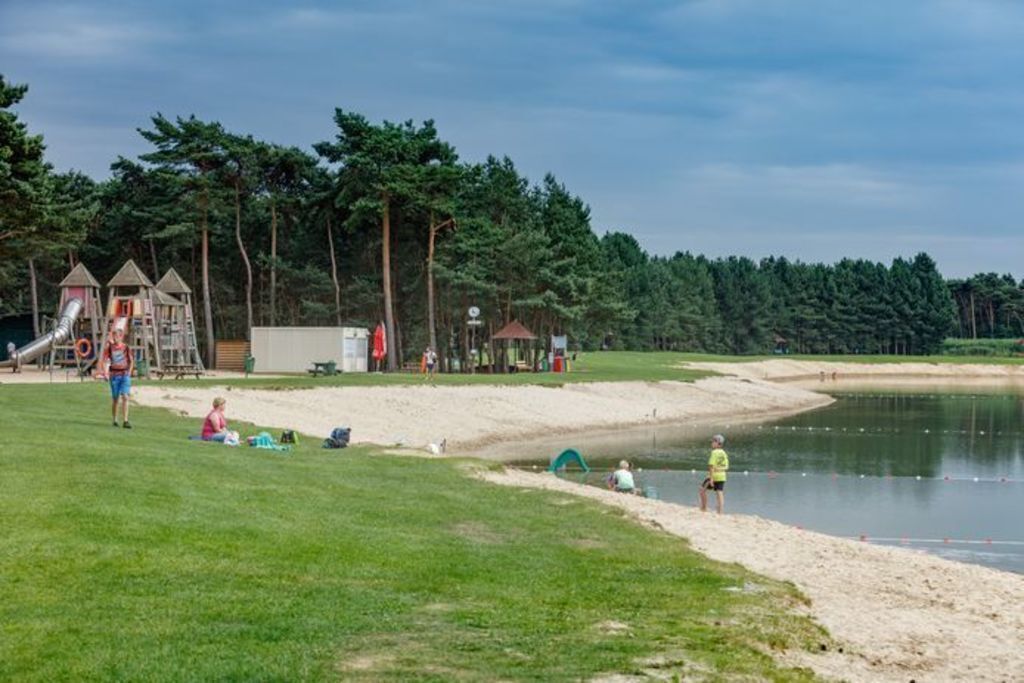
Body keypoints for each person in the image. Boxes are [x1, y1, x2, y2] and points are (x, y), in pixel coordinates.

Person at [103, 329, 134, 428]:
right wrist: (105, 373)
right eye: (114, 336)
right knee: (115, 399)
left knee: (125, 396)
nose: (115, 338)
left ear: (121, 337)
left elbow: (131, 361)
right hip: (114, 376)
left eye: (116, 336)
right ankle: (115, 420)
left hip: (125, 375)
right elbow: (105, 361)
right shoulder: (109, 348)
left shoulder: (126, 348)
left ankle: (125, 421)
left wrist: (129, 372)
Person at [699, 434, 729, 513]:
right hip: (722, 476)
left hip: (714, 476)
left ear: (718, 443)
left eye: (713, 441)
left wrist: (711, 478)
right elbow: (726, 467)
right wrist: (720, 469)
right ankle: (720, 511)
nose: (712, 443)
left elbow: (711, 466)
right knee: (719, 493)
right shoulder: (724, 453)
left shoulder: (714, 452)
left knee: (702, 490)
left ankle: (704, 508)